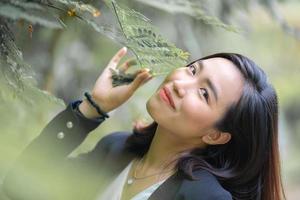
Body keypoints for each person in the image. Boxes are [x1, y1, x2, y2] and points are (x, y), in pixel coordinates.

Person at [2, 47, 285, 200]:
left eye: (203, 93)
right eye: (192, 69)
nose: (179, 84)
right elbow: (20, 186)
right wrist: (92, 109)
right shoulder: (117, 149)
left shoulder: (205, 197)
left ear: (215, 135)